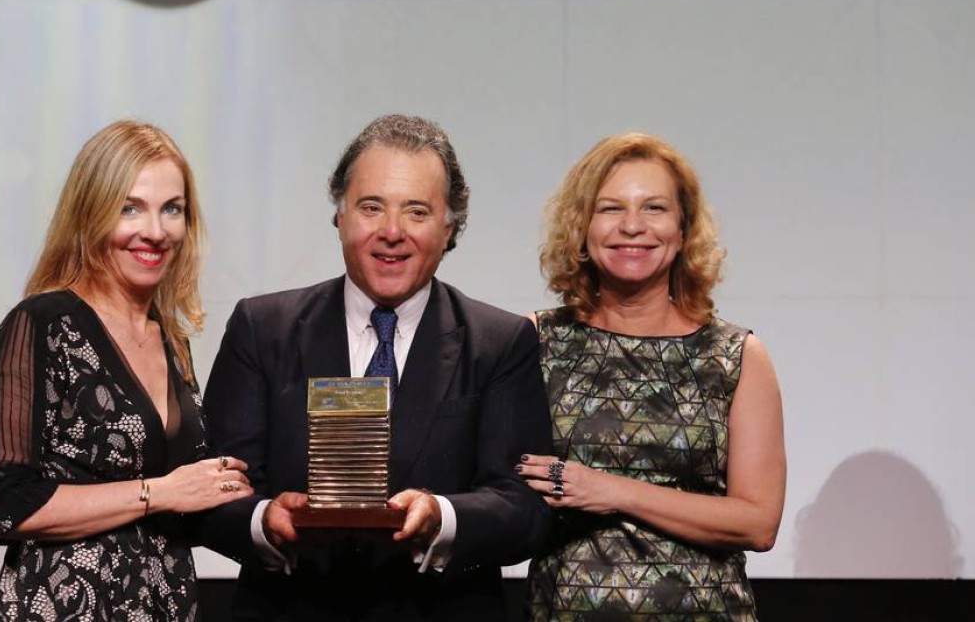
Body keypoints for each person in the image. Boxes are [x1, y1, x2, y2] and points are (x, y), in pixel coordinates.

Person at [198, 114, 553, 621]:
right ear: (340, 216)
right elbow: (215, 489)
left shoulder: (499, 342)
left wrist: (443, 516)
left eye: (417, 211)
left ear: (449, 226)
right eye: (371, 208)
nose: (392, 232)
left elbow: (525, 509)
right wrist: (262, 519)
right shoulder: (262, 328)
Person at [0, 120, 254, 621]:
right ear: (90, 213)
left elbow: (188, 503)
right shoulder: (42, 324)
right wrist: (161, 492)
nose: (156, 231)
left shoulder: (171, 337)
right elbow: (4, 501)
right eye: (130, 208)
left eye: (173, 209)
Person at [518, 133, 786, 620]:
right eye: (610, 209)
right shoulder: (534, 341)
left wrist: (610, 490)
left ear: (683, 230)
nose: (633, 227)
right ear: (581, 228)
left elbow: (759, 522)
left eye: (655, 208)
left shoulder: (735, 356)